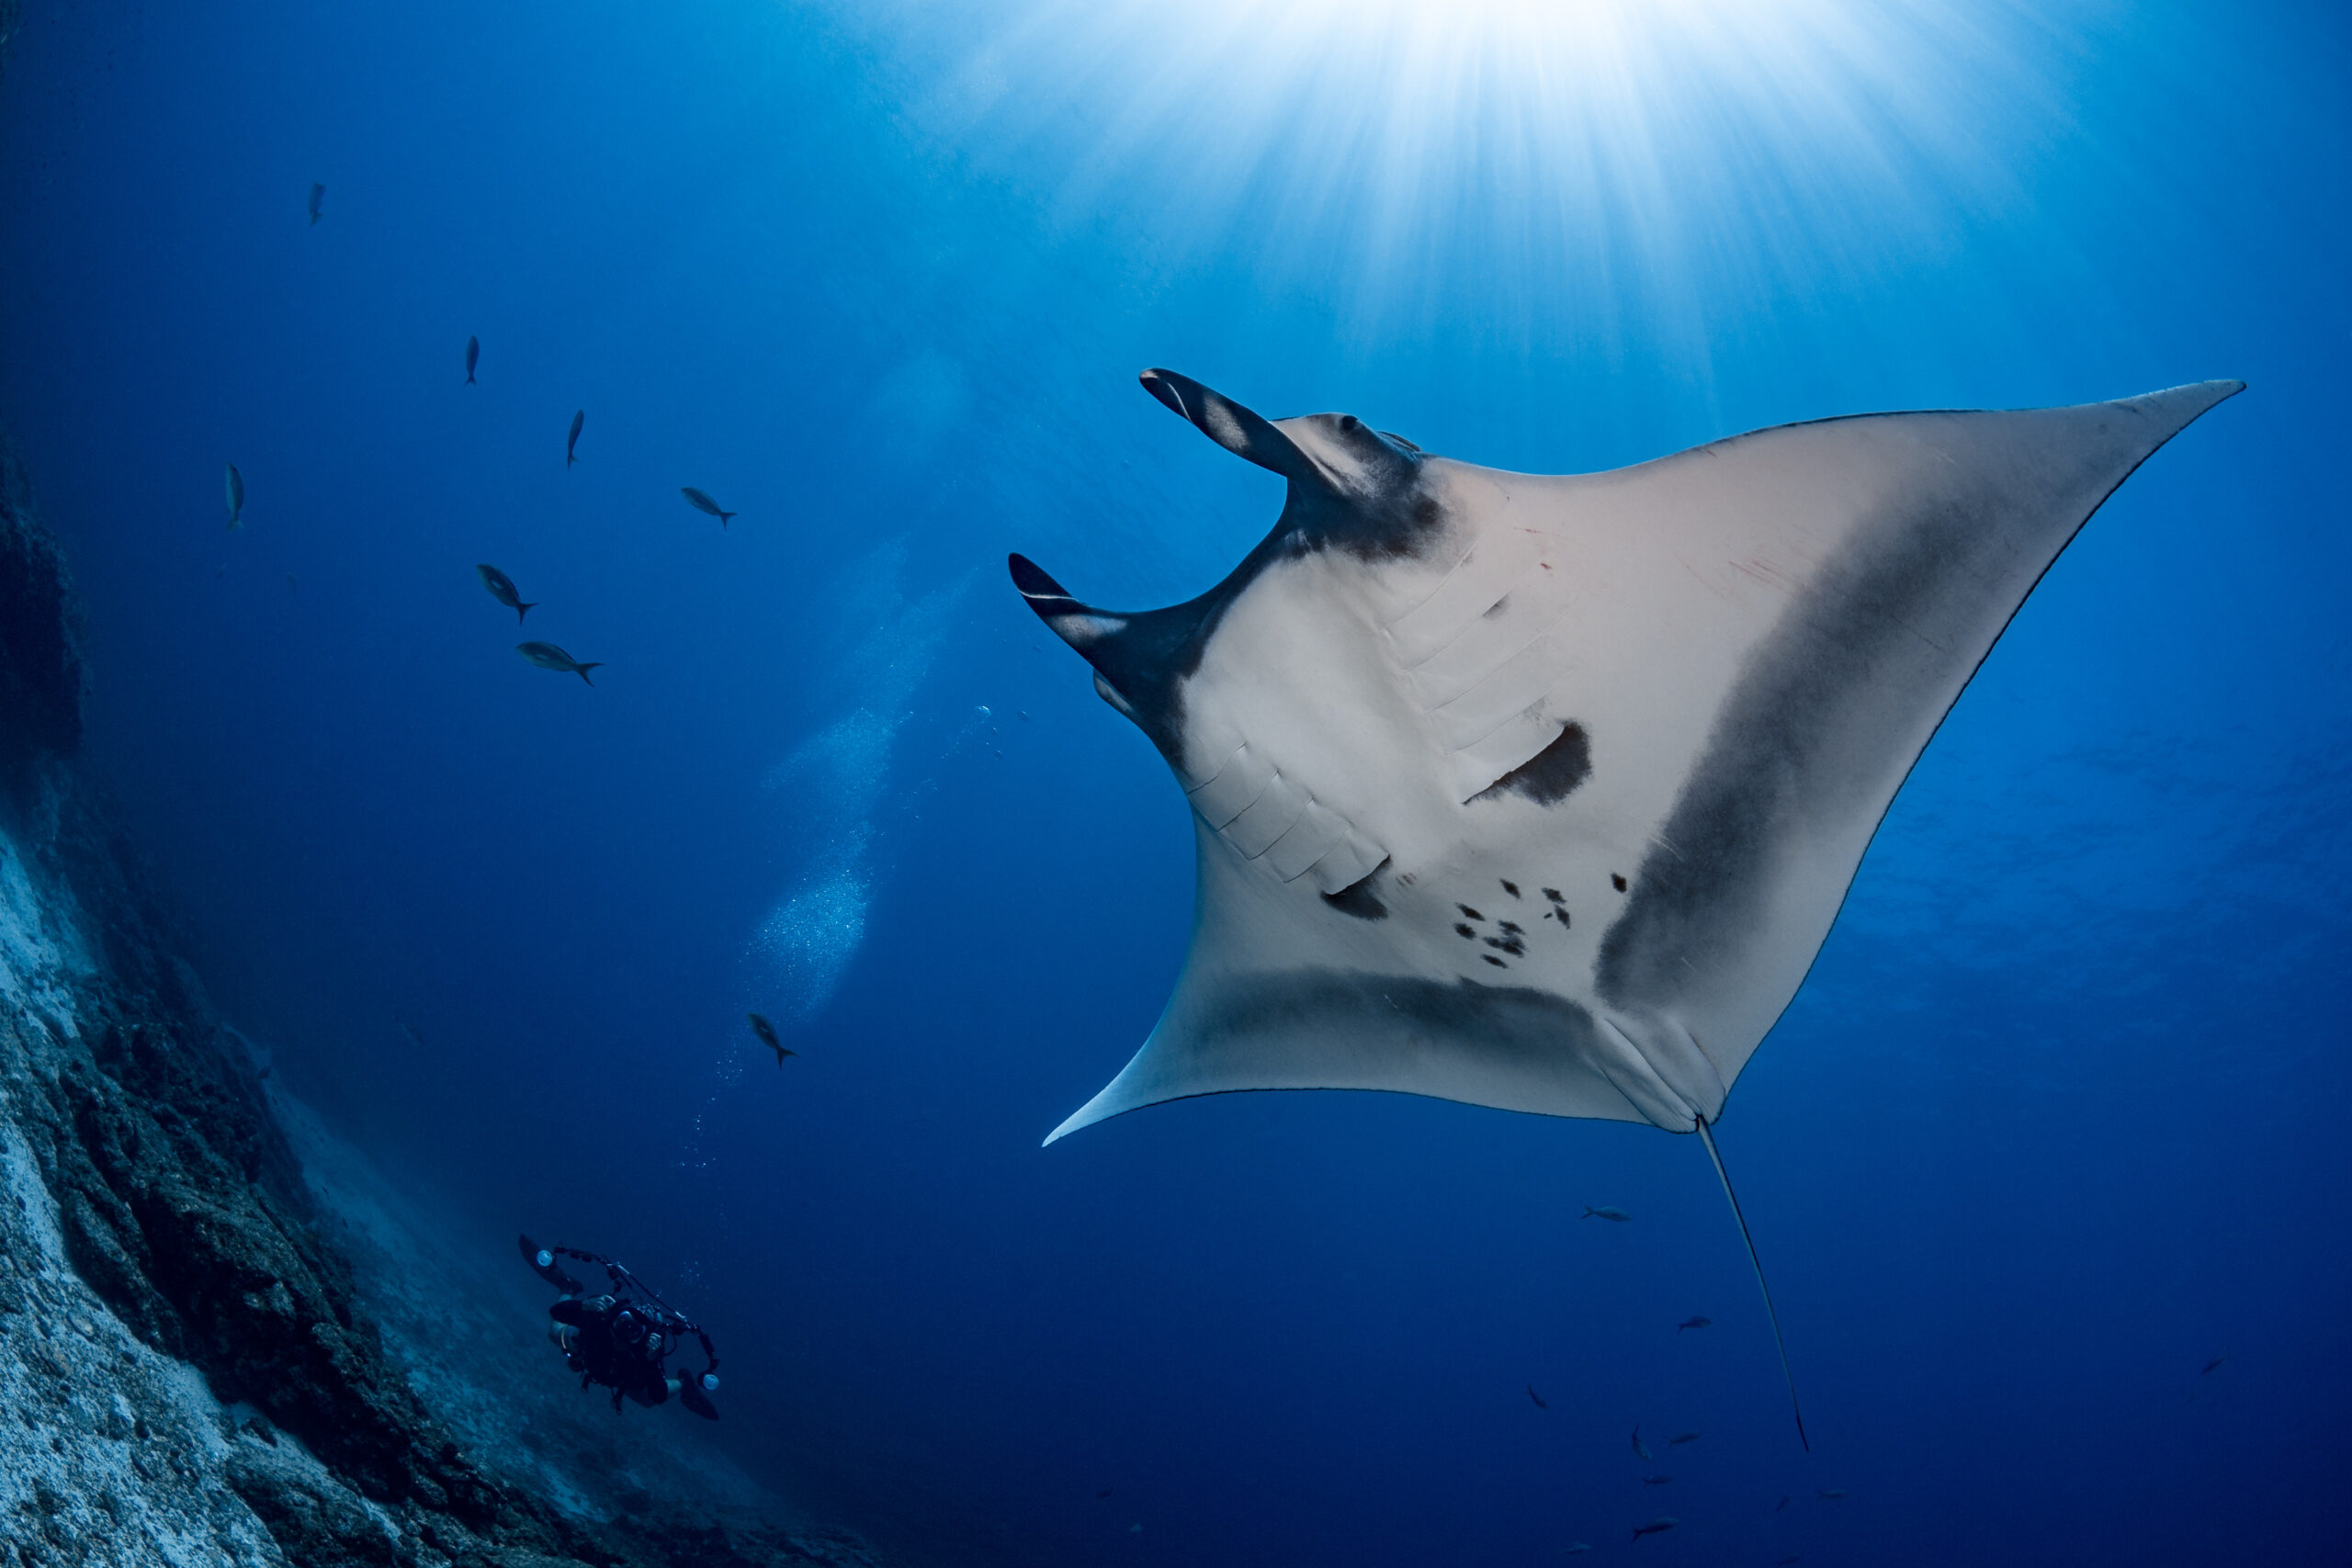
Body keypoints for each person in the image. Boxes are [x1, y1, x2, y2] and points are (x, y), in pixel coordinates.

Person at [520, 1235, 720, 1419]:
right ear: (616, 1317)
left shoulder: (645, 1349)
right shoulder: (604, 1320)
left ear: (642, 1337)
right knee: (555, 1333)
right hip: (590, 1354)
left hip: (625, 1376)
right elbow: (557, 1312)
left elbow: (658, 1396)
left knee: (645, 1400)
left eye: (634, 1331)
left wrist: (651, 1362)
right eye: (624, 1323)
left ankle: (684, 1381)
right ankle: (568, 1286)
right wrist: (582, 1305)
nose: (624, 1333)